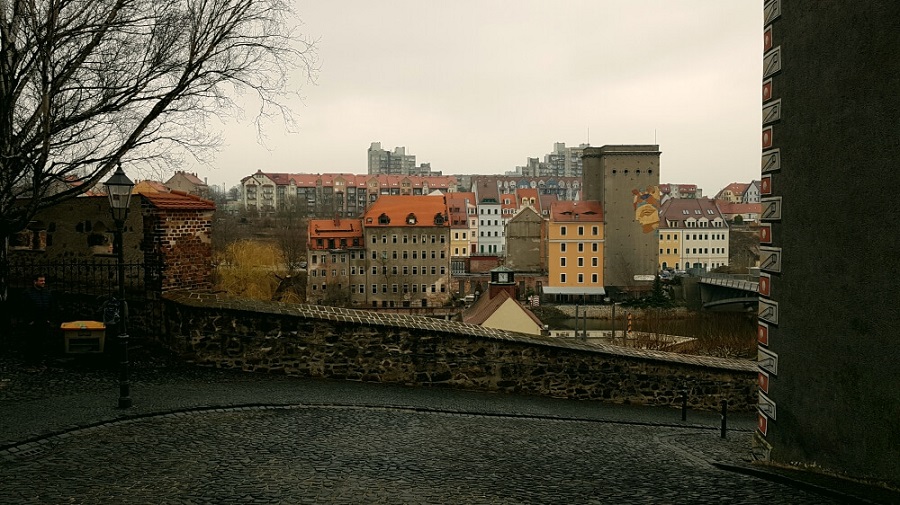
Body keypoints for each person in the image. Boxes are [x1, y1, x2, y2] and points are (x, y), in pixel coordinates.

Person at [22, 274, 56, 360]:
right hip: (33, 321)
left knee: (42, 339)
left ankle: (40, 357)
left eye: (44, 281)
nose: (43, 282)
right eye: (41, 281)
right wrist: (29, 320)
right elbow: (24, 308)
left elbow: (51, 306)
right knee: (32, 340)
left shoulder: (47, 293)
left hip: (44, 320)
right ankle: (31, 358)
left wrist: (49, 319)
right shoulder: (27, 293)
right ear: (35, 282)